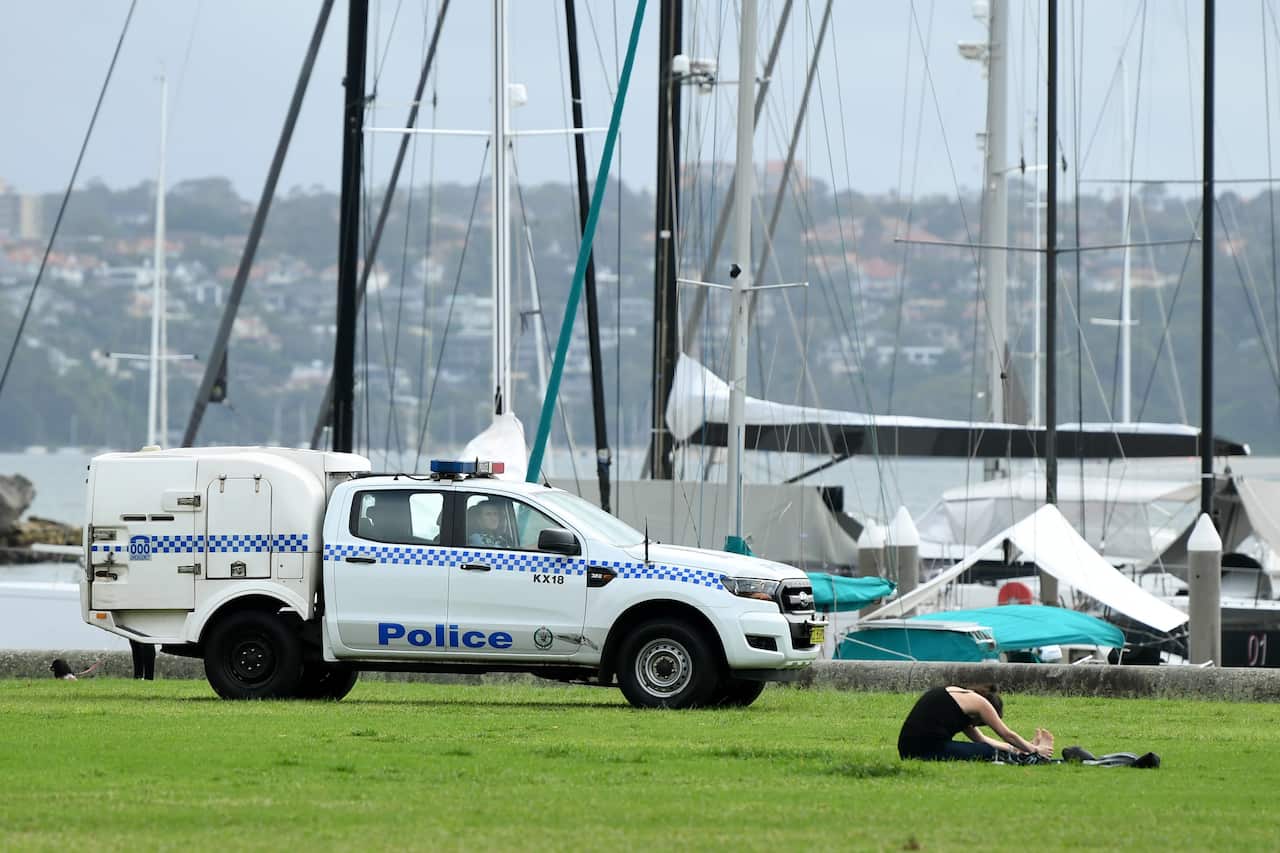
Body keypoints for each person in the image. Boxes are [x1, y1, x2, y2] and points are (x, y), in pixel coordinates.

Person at [897, 684, 1055, 763]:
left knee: (984, 748)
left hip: (910, 749)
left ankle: (1022, 755)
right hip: (924, 751)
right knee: (985, 752)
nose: (978, 725)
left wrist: (1018, 748)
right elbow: (1006, 734)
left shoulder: (960, 699)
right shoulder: (980, 703)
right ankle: (1029, 758)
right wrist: (1035, 750)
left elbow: (981, 739)